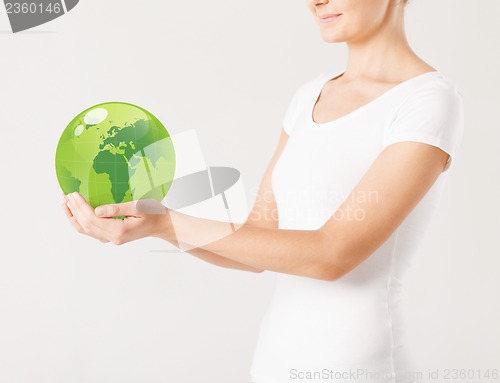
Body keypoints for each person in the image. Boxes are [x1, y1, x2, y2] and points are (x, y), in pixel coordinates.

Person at [62, 0, 464, 381]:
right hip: (272, 366)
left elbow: (333, 255)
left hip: (362, 371)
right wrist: (155, 226)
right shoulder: (310, 95)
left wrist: (170, 223)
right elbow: (260, 242)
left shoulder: (427, 101)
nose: (316, 0)